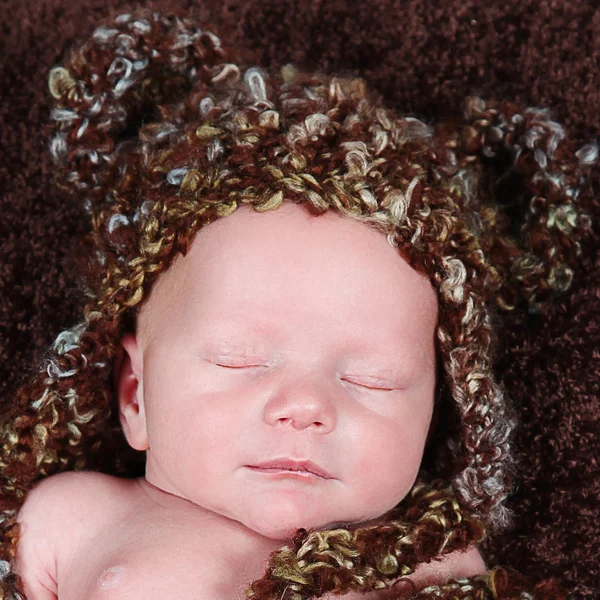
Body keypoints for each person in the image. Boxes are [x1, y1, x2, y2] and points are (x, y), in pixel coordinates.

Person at [0, 7, 596, 600]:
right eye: (239, 359)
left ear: (440, 409)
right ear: (135, 396)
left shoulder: (433, 560)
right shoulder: (76, 518)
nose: (305, 406)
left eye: (374, 379)